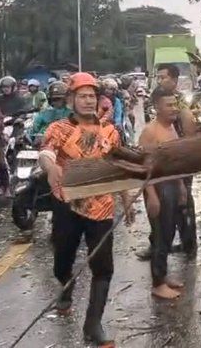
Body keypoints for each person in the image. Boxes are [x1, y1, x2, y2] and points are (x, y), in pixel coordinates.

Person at [39, 72, 134, 346]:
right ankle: (66, 285)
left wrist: (125, 199)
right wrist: (51, 167)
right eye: (82, 96)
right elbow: (46, 152)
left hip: (102, 206)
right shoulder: (58, 129)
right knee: (62, 260)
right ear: (71, 100)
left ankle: (93, 325)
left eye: (92, 96)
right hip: (67, 203)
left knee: (103, 268)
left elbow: (118, 167)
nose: (88, 100)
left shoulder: (110, 132)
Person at [139, 88, 189, 299]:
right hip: (157, 187)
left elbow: (175, 162)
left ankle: (164, 275)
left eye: (175, 104)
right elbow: (143, 167)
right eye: (168, 105)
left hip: (171, 184)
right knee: (160, 236)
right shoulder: (150, 131)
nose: (174, 109)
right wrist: (151, 195)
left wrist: (181, 187)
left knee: (169, 233)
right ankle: (157, 283)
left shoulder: (172, 129)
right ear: (157, 107)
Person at [154, 63, 197, 254]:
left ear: (174, 79)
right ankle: (163, 243)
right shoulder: (158, 98)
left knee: (183, 201)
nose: (160, 80)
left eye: (163, 77)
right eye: (158, 77)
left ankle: (188, 243)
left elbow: (189, 136)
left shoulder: (181, 105)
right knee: (165, 203)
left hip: (179, 161)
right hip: (163, 161)